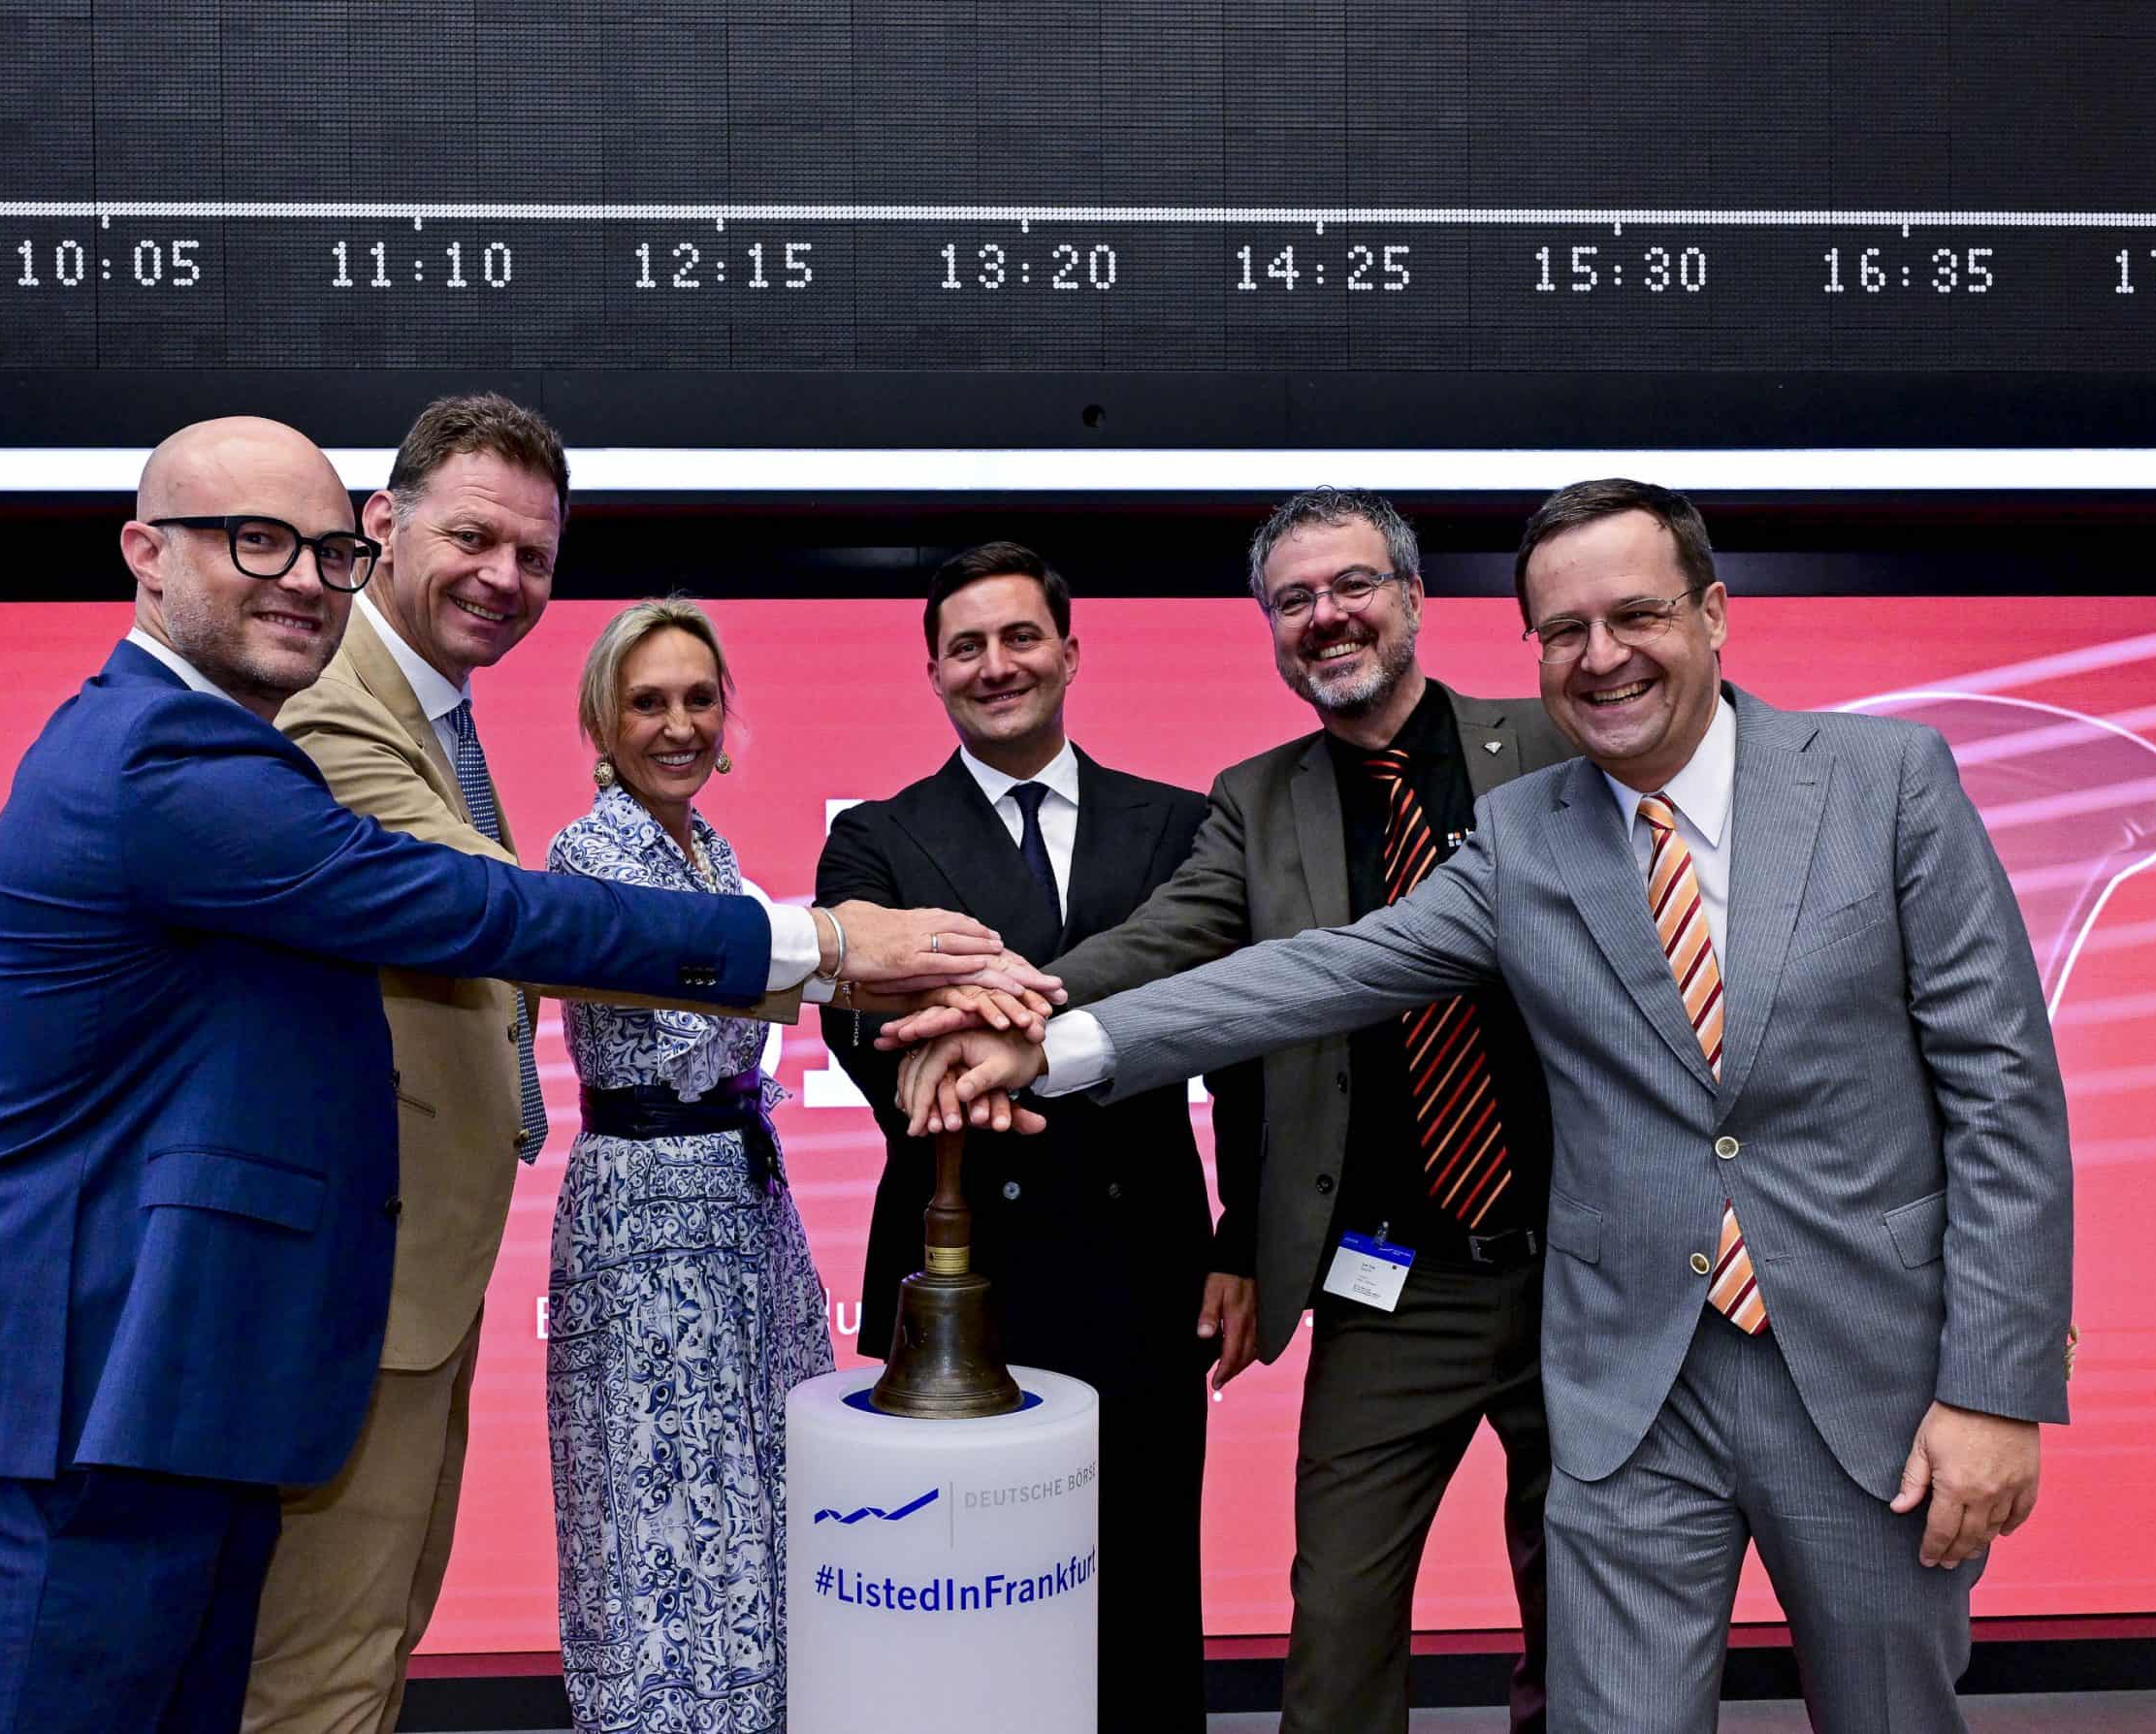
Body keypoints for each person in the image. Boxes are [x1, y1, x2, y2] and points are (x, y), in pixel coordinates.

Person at [0, 415, 1013, 1734]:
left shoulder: (229, 741)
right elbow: (485, 915)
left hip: (182, 1391)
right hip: (79, 1398)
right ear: (144, 552)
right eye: (253, 543)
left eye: (320, 549)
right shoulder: (167, 760)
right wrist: (819, 942)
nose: (301, 578)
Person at [898, 479, 2075, 1734]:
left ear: (1717, 613)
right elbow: (1323, 969)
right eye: (1563, 631)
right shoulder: (1522, 836)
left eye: (1636, 616)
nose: (1602, 656)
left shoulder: (1885, 780)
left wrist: (1998, 1382)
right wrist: (1054, 1042)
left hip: (1864, 1381)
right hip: (1626, 1384)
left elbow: (2002, 1087)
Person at [884, 493, 1573, 1732]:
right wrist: (1019, 1017)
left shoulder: (1552, 744)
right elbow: (1167, 947)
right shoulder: (1255, 801)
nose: (1327, 618)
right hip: (1391, 1279)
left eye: (1352, 587)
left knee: (1590, 1618)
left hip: (1588, 1267)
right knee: (1339, 1631)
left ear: (1413, 597)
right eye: (1294, 601)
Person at [814, 541, 1255, 1730]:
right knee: (963, 1586)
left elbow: (1247, 1039)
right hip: (961, 1261)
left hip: (1147, 1258)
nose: (995, 665)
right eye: (966, 646)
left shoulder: (1183, 827)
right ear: (933, 672)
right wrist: (966, 1068)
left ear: (1069, 650)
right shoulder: (875, 841)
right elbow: (872, 1035)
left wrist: (1246, 1240)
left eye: (1019, 638)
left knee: (1147, 1580)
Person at [243, 394, 572, 1734]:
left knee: (368, 1649)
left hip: (417, 1279)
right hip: (351, 1282)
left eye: (537, 557)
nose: (505, 578)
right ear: (381, 524)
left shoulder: (438, 715)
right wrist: (819, 948)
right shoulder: (331, 705)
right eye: (475, 536)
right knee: (316, 1680)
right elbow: (498, 910)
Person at [546, 599, 834, 1734]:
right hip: (646, 1210)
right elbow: (685, 1021)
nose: (679, 725)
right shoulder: (591, 851)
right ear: (600, 726)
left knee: (751, 1491)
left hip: (736, 1199)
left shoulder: (707, 847)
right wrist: (845, 958)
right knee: (655, 1510)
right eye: (648, 702)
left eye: (699, 699)